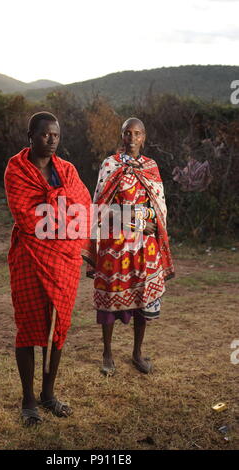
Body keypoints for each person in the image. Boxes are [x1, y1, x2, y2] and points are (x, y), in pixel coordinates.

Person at [4, 112, 91, 425]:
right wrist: (61, 214)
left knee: (58, 328)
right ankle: (28, 399)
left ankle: (49, 394)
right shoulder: (17, 170)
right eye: (44, 135)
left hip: (65, 261)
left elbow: (82, 208)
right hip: (30, 255)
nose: (51, 140)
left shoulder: (67, 171)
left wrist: (70, 237)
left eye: (55, 135)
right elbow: (27, 217)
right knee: (29, 328)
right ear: (30, 135)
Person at [85, 117, 174, 376]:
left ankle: (137, 352)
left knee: (143, 300)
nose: (132, 138)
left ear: (144, 137)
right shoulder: (110, 165)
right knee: (110, 298)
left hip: (145, 247)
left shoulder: (151, 166)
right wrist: (136, 221)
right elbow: (101, 208)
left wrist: (149, 223)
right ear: (121, 136)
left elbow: (158, 207)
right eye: (127, 133)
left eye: (137, 134)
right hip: (116, 245)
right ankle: (107, 354)